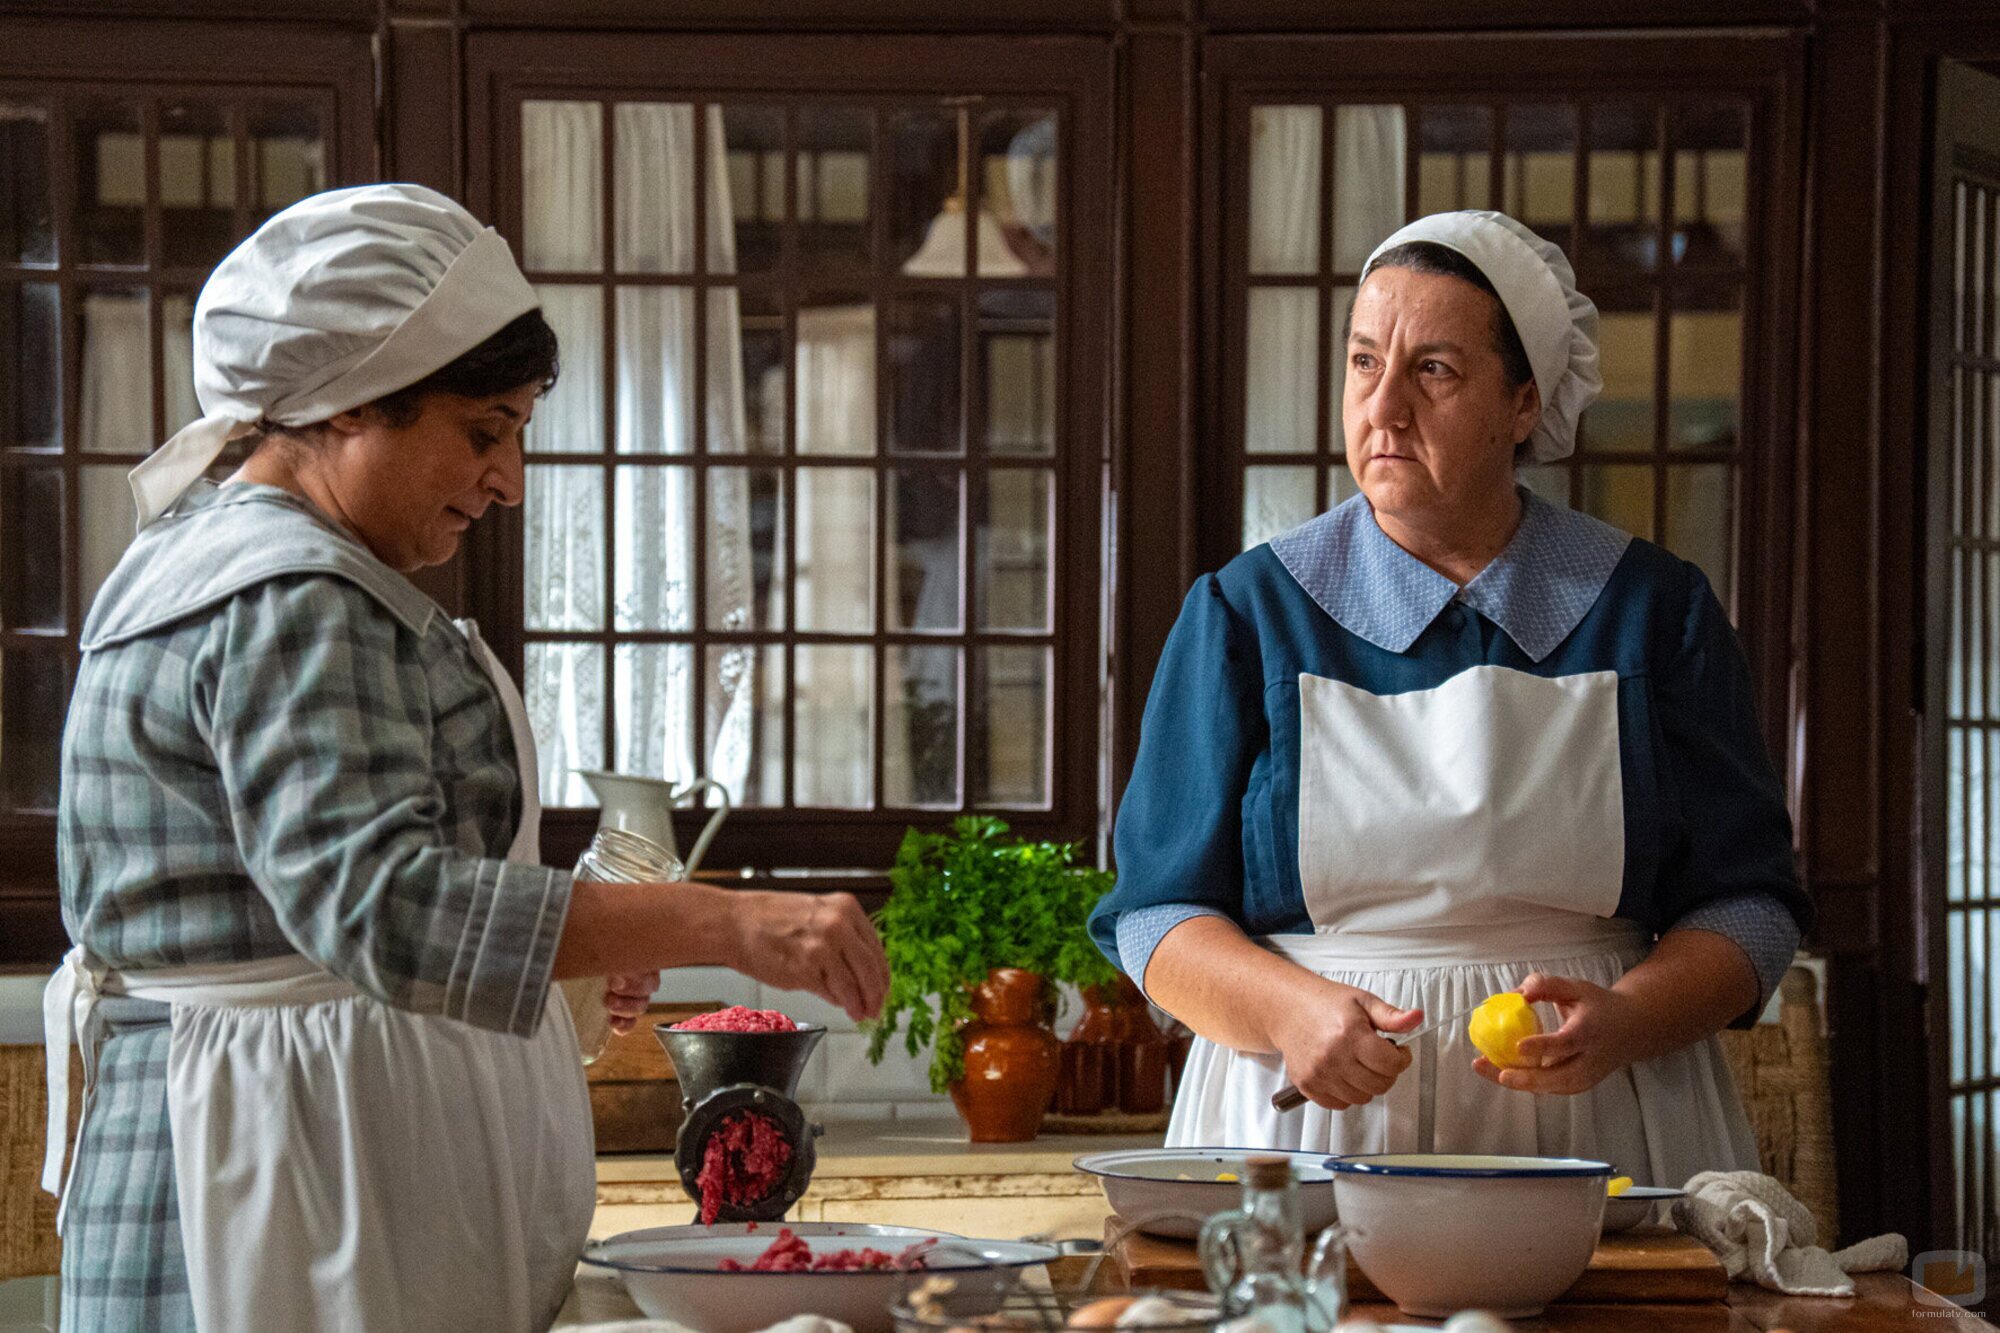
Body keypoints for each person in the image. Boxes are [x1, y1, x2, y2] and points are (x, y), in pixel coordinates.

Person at [43, 183, 889, 1332]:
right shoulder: (291, 596)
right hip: (289, 1177)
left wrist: (575, 949)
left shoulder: (224, 558)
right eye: (482, 430)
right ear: (350, 406)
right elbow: (382, 907)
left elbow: (342, 891)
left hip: (305, 1144)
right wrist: (734, 923)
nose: (508, 479)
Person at [1089, 209, 1810, 1184]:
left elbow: (1754, 907)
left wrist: (1633, 1016)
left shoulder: (1651, 611)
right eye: (1359, 363)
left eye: (1431, 369)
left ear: (1522, 403)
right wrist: (1291, 1012)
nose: (1380, 408)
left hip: (1603, 1126)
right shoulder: (1244, 615)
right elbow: (1153, 915)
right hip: (1307, 1137)